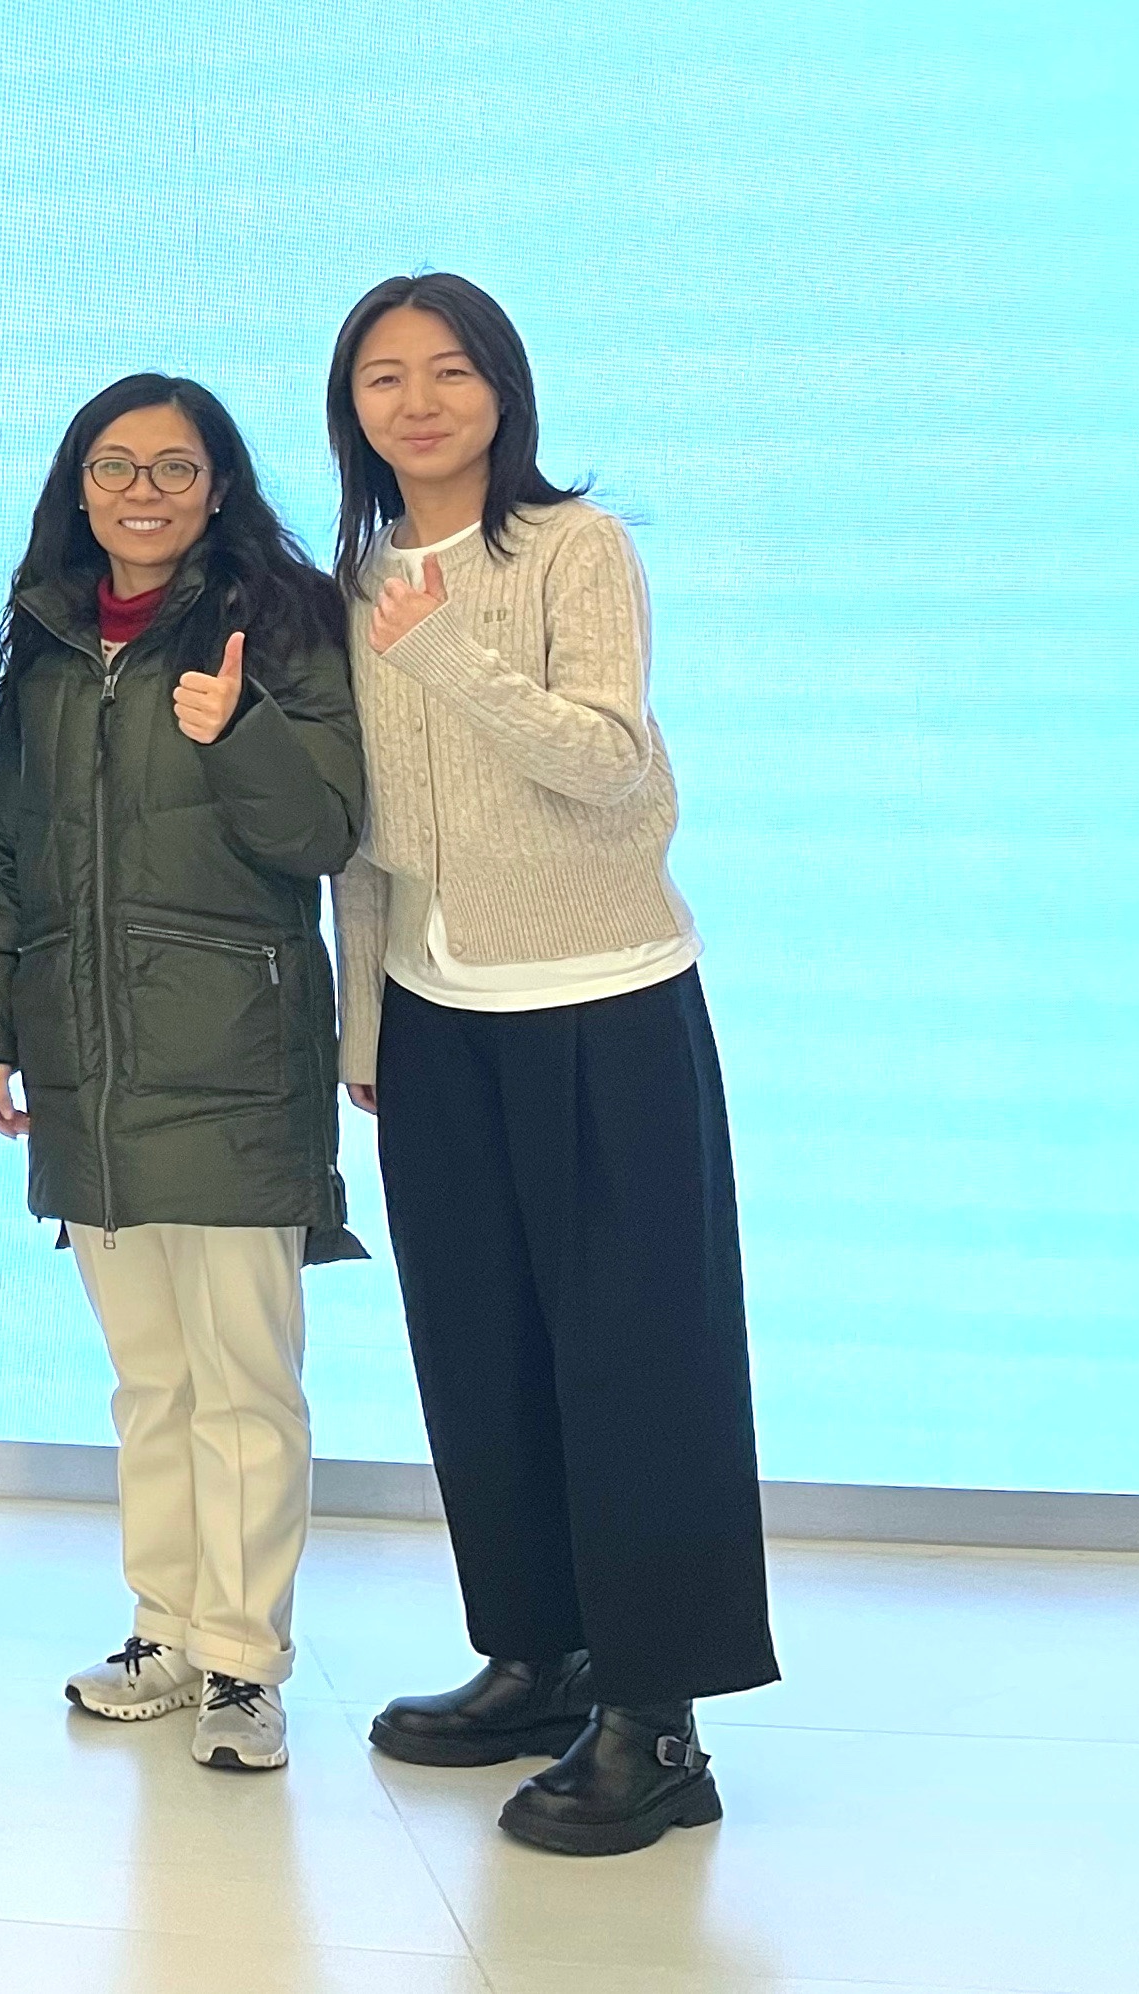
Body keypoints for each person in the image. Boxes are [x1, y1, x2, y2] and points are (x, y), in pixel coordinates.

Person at [328, 272, 775, 1855]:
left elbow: (613, 766)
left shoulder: (573, 547)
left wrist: (449, 654)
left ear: (504, 390)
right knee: (481, 1352)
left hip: (603, 1000)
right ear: (352, 408)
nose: (419, 401)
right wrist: (365, 1028)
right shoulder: (357, 578)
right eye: (385, 377)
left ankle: (658, 1718)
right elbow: (366, 839)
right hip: (434, 1014)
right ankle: (537, 1654)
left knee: (637, 1362)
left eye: (449, 370)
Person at [0, 374, 363, 1776]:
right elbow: (11, 845)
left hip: (235, 1051)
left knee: (247, 1380)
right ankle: (165, 1629)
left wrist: (233, 730)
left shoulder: (284, 620)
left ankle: (244, 1659)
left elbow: (322, 829)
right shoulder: (50, 636)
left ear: (219, 486)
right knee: (151, 1381)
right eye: (114, 466)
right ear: (79, 486)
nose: (142, 492)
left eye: (174, 468)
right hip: (87, 1059)